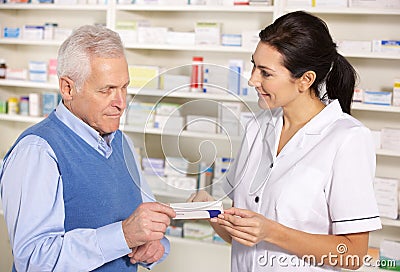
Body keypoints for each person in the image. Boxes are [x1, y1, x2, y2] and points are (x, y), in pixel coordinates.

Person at [188, 11, 381, 271]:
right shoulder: (257, 127)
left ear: (305, 80)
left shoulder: (347, 139)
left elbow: (354, 256)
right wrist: (211, 213)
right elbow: (244, 238)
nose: (252, 80)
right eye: (254, 65)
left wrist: (272, 232)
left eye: (266, 73)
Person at [0, 25, 176, 272]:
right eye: (107, 90)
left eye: (124, 87)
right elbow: (32, 260)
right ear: (68, 88)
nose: (121, 103)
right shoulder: (37, 152)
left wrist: (155, 244)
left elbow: (145, 223)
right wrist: (122, 236)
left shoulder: (121, 142)